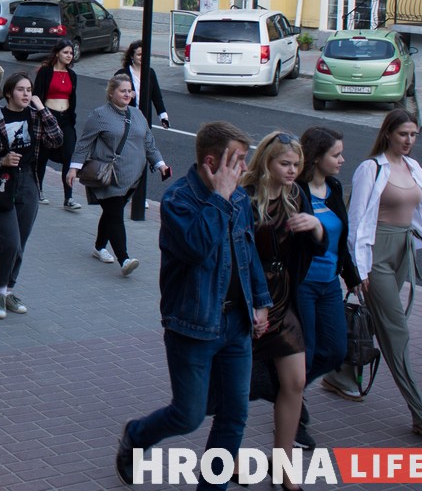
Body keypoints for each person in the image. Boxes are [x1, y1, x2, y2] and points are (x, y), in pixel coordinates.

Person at [117, 122, 272, 490]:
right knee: (188, 415)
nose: (245, 168)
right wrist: (218, 198)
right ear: (210, 161)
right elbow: (196, 248)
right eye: (237, 160)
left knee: (235, 414)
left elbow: (248, 253)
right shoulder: (178, 200)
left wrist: (261, 301)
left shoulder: (238, 197)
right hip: (193, 325)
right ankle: (136, 437)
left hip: (236, 325)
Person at [239, 132, 326, 486]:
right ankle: (228, 457)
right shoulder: (245, 196)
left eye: (296, 164)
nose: (292, 171)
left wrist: (317, 227)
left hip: (284, 298)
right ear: (267, 163)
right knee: (235, 390)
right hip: (249, 300)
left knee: (296, 381)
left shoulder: (296, 194)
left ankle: (284, 464)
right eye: (285, 164)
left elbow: (313, 247)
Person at [347, 109, 422, 434]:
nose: (409, 140)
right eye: (403, 134)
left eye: (413, 135)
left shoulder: (412, 166)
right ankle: (421, 413)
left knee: (380, 320)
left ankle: (337, 374)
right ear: (388, 133)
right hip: (377, 253)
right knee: (396, 330)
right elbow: (357, 221)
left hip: (403, 250)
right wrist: (359, 269)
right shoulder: (370, 169)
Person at [0, 72, 63, 320]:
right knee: (10, 242)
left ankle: (9, 289)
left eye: (29, 89)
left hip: (28, 182)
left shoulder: (36, 116)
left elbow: (57, 140)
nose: (26, 94)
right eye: (21, 89)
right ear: (9, 92)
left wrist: (43, 109)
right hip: (1, 183)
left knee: (20, 244)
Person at [294, 126, 359, 449]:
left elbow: (341, 239)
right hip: (302, 284)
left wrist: (353, 277)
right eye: (336, 155)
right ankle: (293, 416)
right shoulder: (297, 191)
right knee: (304, 354)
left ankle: (290, 389)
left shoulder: (333, 186)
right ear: (317, 157)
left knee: (335, 350)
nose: (342, 160)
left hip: (330, 283)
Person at [68, 75, 170, 276]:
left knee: (111, 214)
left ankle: (99, 247)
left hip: (132, 178)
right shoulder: (99, 115)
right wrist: (73, 168)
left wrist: (160, 164)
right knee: (115, 215)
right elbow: (84, 143)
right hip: (109, 176)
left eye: (130, 91)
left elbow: (148, 143)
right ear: (111, 92)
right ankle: (124, 259)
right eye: (122, 90)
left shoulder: (137, 114)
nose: (127, 94)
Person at [35, 39, 80, 211]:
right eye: (66, 52)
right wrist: (43, 114)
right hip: (48, 117)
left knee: (69, 156)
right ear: (57, 53)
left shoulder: (72, 75)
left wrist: (71, 117)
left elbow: (72, 99)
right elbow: (36, 95)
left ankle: (68, 197)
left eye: (71, 53)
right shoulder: (46, 72)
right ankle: (39, 190)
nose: (69, 56)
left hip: (66, 119)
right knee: (43, 156)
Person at [116, 40, 170, 128]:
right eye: (139, 55)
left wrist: (163, 117)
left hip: (144, 120)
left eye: (144, 54)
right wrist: (127, 95)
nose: (142, 57)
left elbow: (157, 97)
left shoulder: (150, 73)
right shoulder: (122, 74)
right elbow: (113, 95)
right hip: (126, 119)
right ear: (131, 56)